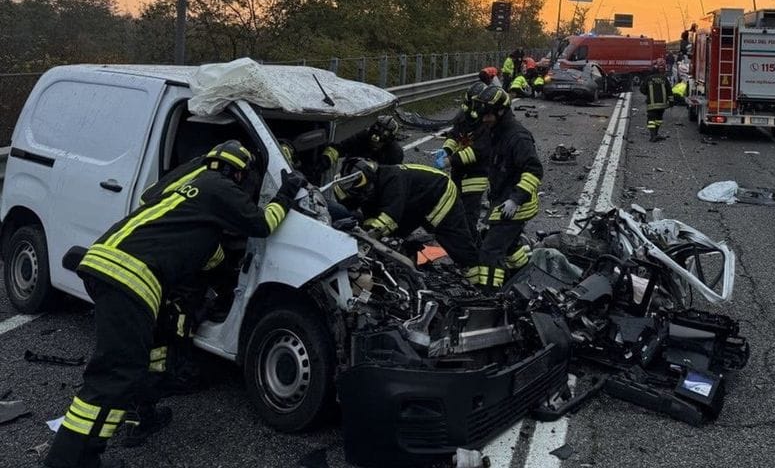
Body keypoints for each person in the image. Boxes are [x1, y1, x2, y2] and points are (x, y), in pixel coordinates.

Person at [44, 141, 306, 468]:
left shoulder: (185, 191)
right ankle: (70, 460)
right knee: (114, 375)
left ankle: (142, 415)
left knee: (149, 351)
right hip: (131, 278)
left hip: (106, 260)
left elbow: (159, 207)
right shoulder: (220, 186)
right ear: (239, 174)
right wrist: (286, 192)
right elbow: (263, 225)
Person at [333, 159, 480, 277]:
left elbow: (389, 218)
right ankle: (409, 261)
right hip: (415, 201)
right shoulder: (369, 189)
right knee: (395, 237)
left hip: (439, 192)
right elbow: (369, 218)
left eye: (365, 191)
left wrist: (364, 240)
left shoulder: (392, 180)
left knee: (454, 241)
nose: (365, 195)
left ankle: (478, 277)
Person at [471, 85, 543, 291]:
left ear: (501, 111)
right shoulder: (496, 130)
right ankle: (524, 276)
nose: (484, 119)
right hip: (502, 198)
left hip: (516, 204)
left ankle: (490, 294)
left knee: (490, 251)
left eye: (488, 115)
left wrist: (515, 199)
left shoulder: (518, 137)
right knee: (510, 246)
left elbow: (534, 170)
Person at [434, 82, 491, 233]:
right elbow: (454, 135)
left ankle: (469, 238)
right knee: (453, 207)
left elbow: (477, 151)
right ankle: (455, 235)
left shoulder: (488, 124)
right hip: (459, 172)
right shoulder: (464, 116)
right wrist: (446, 149)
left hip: (476, 176)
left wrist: (450, 160)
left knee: (469, 214)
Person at [319, 114, 403, 175]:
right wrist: (326, 160)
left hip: (375, 184)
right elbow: (340, 147)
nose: (375, 143)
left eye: (380, 141)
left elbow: (393, 176)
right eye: (373, 140)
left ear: (389, 141)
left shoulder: (395, 153)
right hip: (349, 175)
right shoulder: (361, 137)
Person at [641, 70, 674, 141]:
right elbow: (669, 91)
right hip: (662, 105)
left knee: (651, 120)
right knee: (658, 119)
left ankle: (653, 136)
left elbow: (642, 90)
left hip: (652, 105)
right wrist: (671, 102)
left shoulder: (648, 79)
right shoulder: (664, 78)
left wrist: (648, 93)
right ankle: (656, 133)